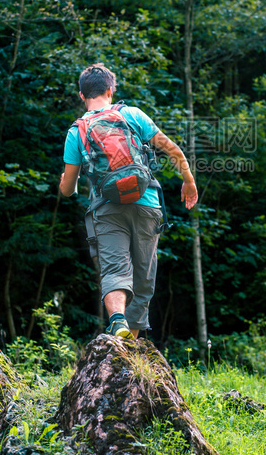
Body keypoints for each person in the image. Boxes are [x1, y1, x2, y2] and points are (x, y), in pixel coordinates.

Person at [59, 63, 198, 340]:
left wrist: (66, 179)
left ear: (81, 95)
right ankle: (131, 345)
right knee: (143, 277)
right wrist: (189, 180)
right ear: (110, 90)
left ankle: (118, 321)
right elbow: (171, 148)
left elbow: (67, 190)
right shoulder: (131, 114)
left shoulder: (77, 132)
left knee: (114, 269)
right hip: (146, 203)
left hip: (107, 208)